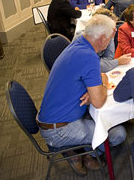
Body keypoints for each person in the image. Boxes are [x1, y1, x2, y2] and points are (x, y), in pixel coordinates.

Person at [37, 15, 126, 176]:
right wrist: (103, 83)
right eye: (109, 40)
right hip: (59, 130)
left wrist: (91, 88)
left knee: (104, 122)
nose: (108, 44)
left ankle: (81, 151)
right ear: (102, 39)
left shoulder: (78, 43)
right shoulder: (89, 57)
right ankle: (80, 154)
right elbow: (98, 101)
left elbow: (82, 77)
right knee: (117, 135)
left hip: (54, 117)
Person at [74, 8, 132, 73]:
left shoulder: (107, 34)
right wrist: (118, 61)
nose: (116, 30)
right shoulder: (83, 39)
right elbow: (94, 67)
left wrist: (107, 64)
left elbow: (109, 58)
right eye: (113, 27)